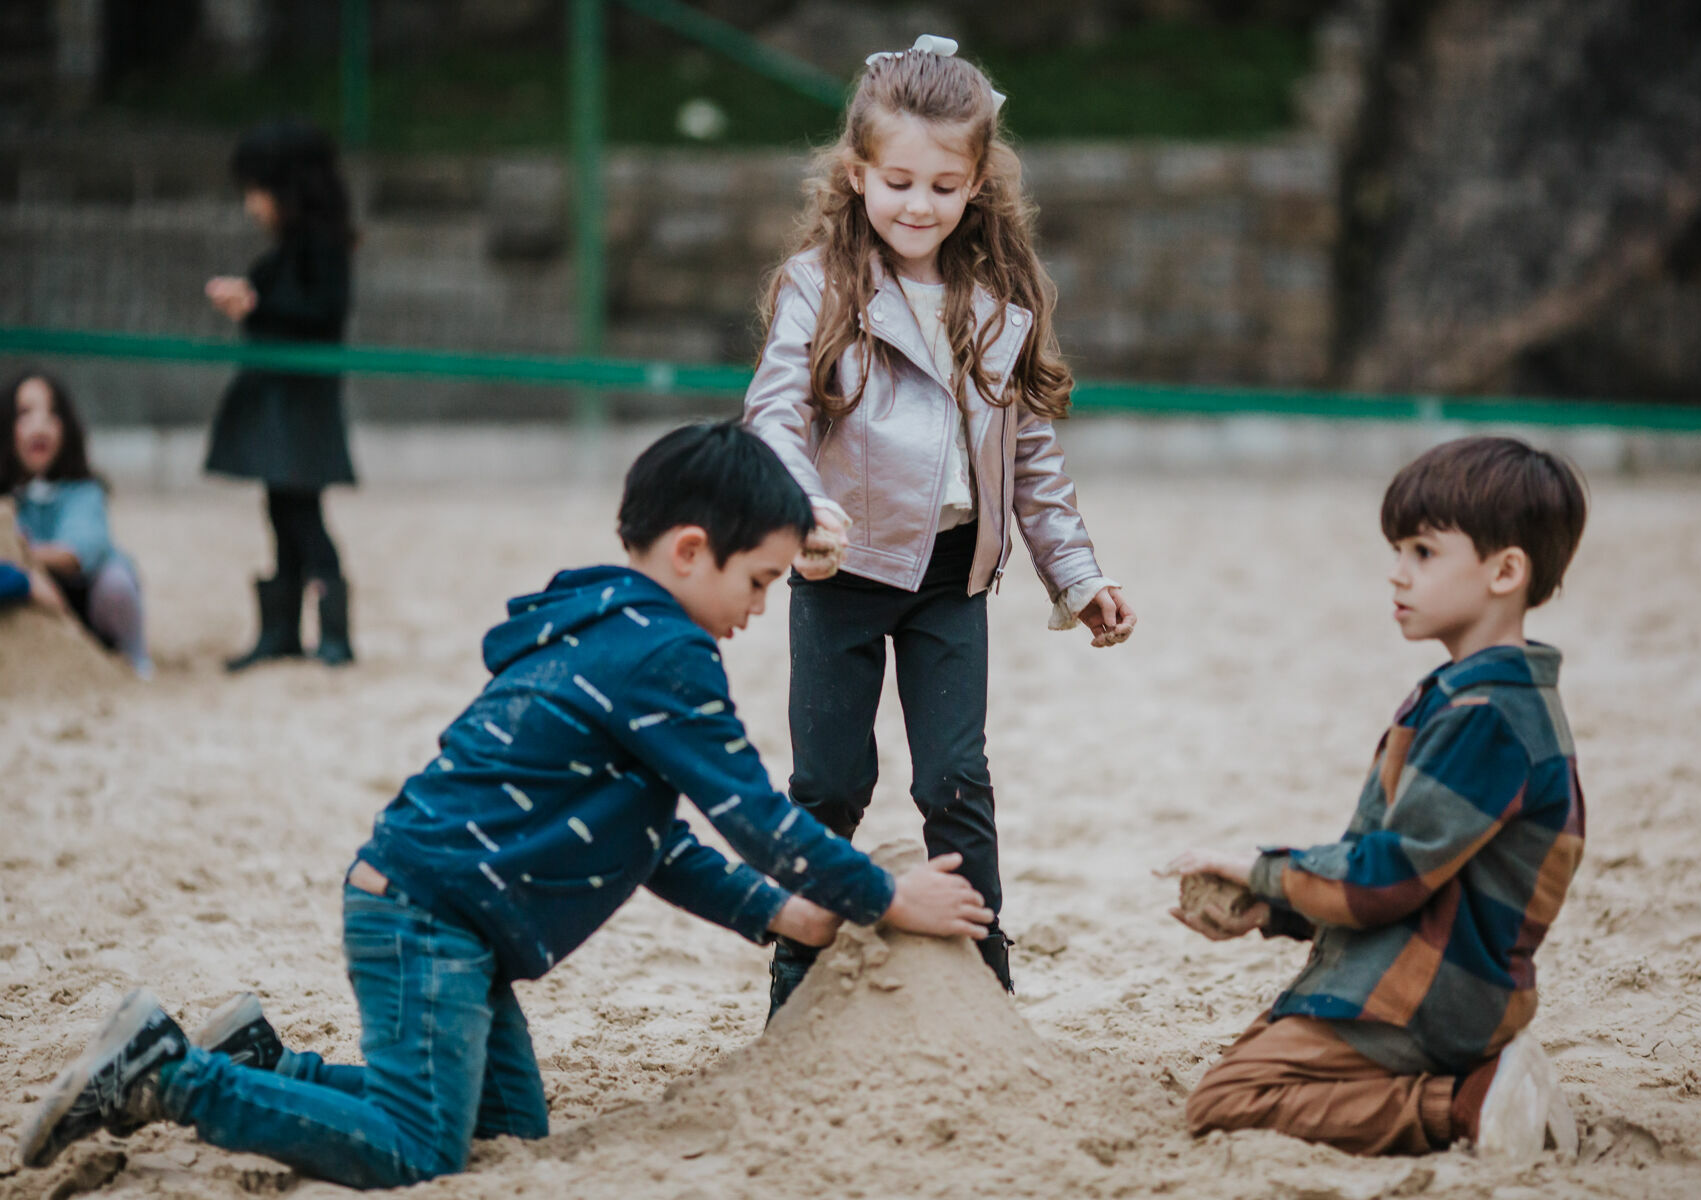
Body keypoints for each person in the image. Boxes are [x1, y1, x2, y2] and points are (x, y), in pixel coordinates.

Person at [18, 421, 992, 1189]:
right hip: (426, 917)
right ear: (693, 550)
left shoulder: (603, 626)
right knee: (414, 1151)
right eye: (761, 579)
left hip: (452, 923)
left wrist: (777, 913)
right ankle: (168, 1075)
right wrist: (884, 897)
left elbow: (650, 843)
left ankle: (265, 1067)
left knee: (506, 1130)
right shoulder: (665, 655)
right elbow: (752, 814)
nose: (761, 605)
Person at [743, 35, 1138, 1011]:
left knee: (956, 780)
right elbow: (773, 410)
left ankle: (982, 969)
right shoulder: (817, 283)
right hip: (844, 568)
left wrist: (1078, 579)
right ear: (858, 173)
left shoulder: (1001, 303)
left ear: (976, 187)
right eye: (900, 181)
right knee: (831, 780)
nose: (919, 205)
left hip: (953, 578)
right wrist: (803, 507)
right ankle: (799, 962)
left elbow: (1034, 464)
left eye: (944, 185)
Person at [1161, 436, 1589, 1160]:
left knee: (1226, 1102)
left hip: (1429, 996)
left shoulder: (1485, 717)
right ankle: (1476, 1080)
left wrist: (1259, 869)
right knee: (1258, 1058)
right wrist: (1274, 909)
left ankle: (1463, 1103)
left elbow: (1389, 875)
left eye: (1423, 553)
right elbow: (1409, 875)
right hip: (1433, 976)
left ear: (1505, 570)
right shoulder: (1469, 697)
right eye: (1397, 552)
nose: (1397, 575)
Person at [204, 117, 358, 670]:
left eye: (256, 191)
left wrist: (256, 305)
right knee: (282, 508)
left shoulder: (322, 248)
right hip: (281, 400)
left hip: (302, 403)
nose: (251, 204)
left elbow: (322, 312)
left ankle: (332, 631)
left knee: (303, 513)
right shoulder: (287, 252)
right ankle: (284, 630)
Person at [2, 370, 152, 677]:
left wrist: (24, 555)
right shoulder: (7, 498)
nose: (40, 424)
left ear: (67, 429)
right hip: (25, 603)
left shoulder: (82, 491)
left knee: (116, 583)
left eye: (52, 414)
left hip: (84, 599)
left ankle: (134, 658)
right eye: (26, 414)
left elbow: (82, 549)